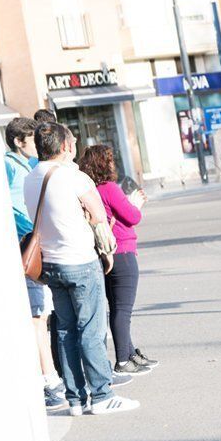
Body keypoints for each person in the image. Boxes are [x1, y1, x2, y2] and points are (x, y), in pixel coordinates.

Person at [24, 122, 139, 416]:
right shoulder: (73, 177)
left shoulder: (31, 177)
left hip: (51, 262)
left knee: (64, 330)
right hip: (80, 260)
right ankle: (101, 394)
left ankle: (75, 398)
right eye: (73, 142)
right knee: (90, 328)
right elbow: (99, 214)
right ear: (64, 146)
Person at [78, 145, 159, 376]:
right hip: (122, 251)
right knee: (123, 309)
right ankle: (123, 360)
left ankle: (129, 352)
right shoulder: (110, 188)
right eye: (111, 160)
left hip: (106, 254)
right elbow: (132, 216)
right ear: (105, 164)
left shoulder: (91, 189)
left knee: (116, 307)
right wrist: (135, 203)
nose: (114, 164)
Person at [4, 117, 67, 410]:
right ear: (19, 141)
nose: (36, 144)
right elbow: (9, 208)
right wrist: (32, 228)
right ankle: (47, 381)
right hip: (25, 246)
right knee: (36, 318)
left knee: (42, 315)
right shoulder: (8, 167)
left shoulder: (26, 167)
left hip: (32, 245)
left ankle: (51, 378)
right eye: (30, 139)